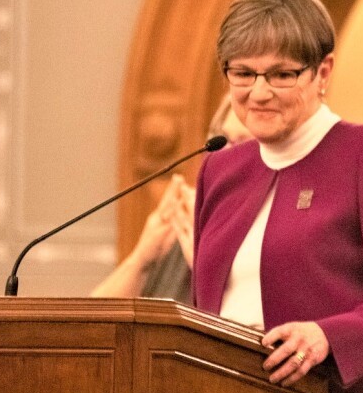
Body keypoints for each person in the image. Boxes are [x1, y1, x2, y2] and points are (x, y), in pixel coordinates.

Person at [192, 0, 363, 393]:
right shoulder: (221, 169)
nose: (259, 92)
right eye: (243, 73)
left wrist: (328, 337)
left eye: (281, 74)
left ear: (323, 73)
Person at [91, 96, 253, 302]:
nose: (224, 154)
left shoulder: (264, 238)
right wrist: (141, 258)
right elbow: (90, 324)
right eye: (224, 140)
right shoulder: (187, 226)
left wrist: (208, 267)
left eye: (242, 143)